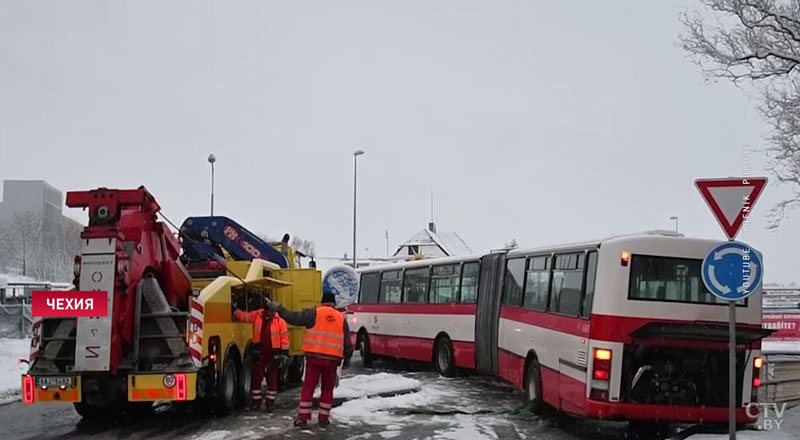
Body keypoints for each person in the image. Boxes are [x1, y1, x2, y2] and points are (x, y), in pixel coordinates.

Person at [268, 290, 352, 427]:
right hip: (332, 361)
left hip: (314, 358)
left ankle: (303, 418)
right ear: (334, 303)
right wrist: (347, 359)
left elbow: (294, 318)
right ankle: (323, 418)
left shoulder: (314, 313)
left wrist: (279, 308)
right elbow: (348, 343)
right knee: (327, 390)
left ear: (322, 301)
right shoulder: (341, 318)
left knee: (308, 388)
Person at [234, 299, 289, 410]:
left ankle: (270, 403)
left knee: (272, 377)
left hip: (273, 352)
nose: (272, 313)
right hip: (260, 351)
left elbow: (285, 338)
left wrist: (284, 353)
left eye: (273, 311)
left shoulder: (280, 321)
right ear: (266, 310)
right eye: (270, 311)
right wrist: (235, 311)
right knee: (257, 376)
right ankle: (256, 402)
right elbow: (245, 317)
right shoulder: (257, 315)